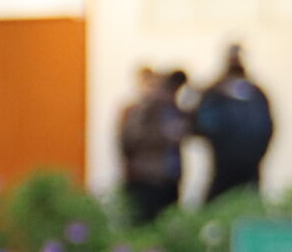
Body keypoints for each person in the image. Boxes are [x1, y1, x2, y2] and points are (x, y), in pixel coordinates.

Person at [195, 44, 275, 205]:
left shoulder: (255, 93)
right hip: (224, 162)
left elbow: (267, 125)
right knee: (217, 202)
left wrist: (258, 152)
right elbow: (204, 123)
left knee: (250, 204)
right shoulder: (215, 92)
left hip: (250, 161)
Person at [116, 66, 190, 224]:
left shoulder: (172, 110)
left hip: (169, 179)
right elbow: (131, 140)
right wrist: (165, 137)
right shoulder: (140, 110)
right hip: (146, 179)